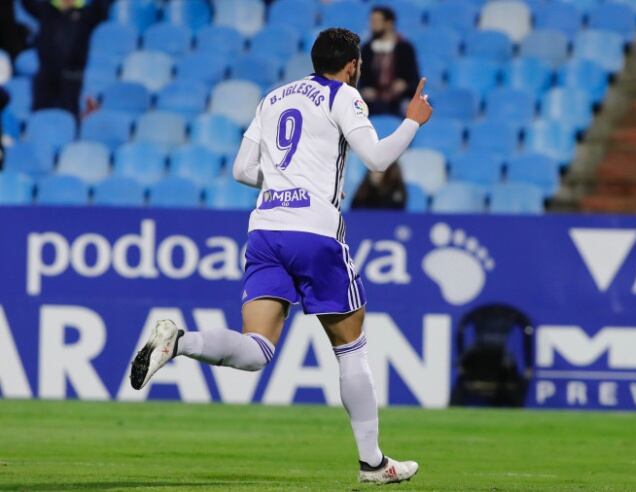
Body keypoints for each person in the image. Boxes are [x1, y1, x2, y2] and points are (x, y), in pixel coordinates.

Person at [129, 28, 432, 484]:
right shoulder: (344, 96)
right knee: (351, 347)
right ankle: (373, 464)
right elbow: (377, 160)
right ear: (352, 65)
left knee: (257, 350)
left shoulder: (272, 99)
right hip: (314, 231)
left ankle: (180, 342)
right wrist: (412, 121)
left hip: (265, 229)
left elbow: (241, 169)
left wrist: (284, 183)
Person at [20, 0, 112, 116]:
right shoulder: (46, 9)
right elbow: (27, 3)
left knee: (69, 118)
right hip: (45, 76)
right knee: (40, 117)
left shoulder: (87, 13)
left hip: (72, 78)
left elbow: (102, 7)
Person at [359, 6, 419, 116]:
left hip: (398, 100)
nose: (372, 25)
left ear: (389, 23)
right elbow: (359, 78)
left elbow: (414, 79)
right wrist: (364, 90)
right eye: (371, 21)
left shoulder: (405, 48)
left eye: (376, 21)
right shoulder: (366, 49)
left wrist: (404, 85)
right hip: (372, 101)